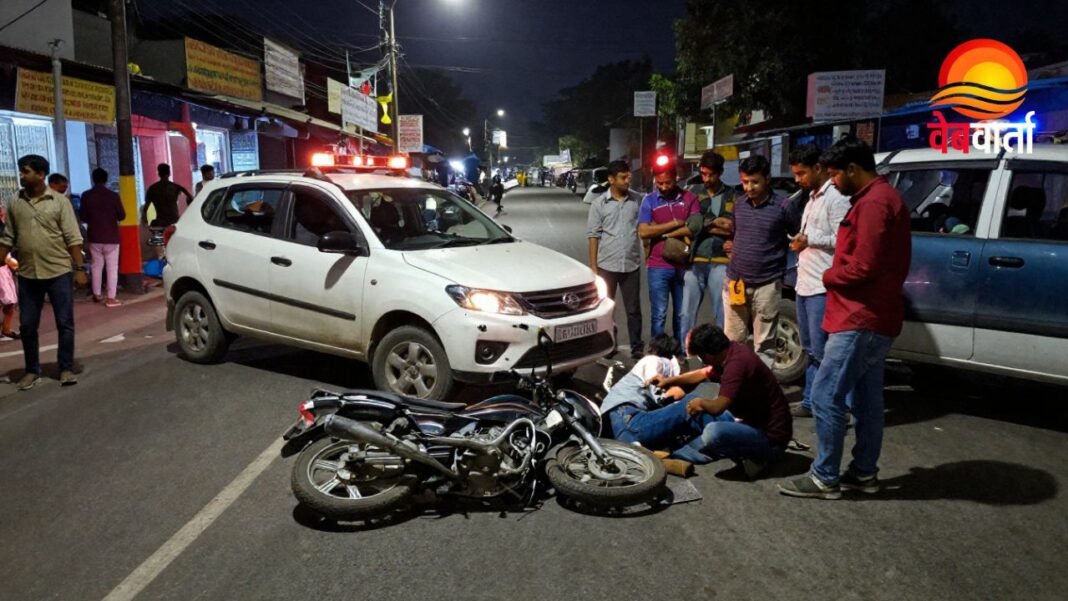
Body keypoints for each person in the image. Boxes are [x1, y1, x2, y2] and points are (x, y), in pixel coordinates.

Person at [778, 140, 911, 500]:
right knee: (866, 401)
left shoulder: (873, 204)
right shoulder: (881, 198)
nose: (834, 181)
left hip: (860, 317)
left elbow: (862, 266)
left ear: (853, 169)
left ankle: (825, 476)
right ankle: (864, 472)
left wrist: (829, 276)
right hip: (873, 315)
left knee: (825, 394)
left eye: (836, 174)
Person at [638, 324, 793, 478]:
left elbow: (718, 406)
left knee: (713, 432)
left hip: (771, 440)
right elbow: (703, 373)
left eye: (701, 356)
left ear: (708, 354)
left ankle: (758, 459)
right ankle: (678, 452)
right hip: (748, 422)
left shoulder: (737, 364)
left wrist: (701, 403)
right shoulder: (728, 352)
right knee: (691, 404)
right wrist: (669, 381)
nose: (702, 360)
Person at [0, 155, 87, 390]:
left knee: (65, 322)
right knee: (28, 325)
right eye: (20, 171)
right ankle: (32, 370)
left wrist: (79, 269)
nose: (21, 175)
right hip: (28, 274)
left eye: (26, 171)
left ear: (40, 175)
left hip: (58, 271)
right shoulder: (15, 202)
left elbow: (73, 238)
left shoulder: (59, 202)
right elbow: (8, 237)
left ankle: (66, 368)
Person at [787, 145, 854, 418]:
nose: (797, 180)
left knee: (827, 353)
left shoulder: (836, 198)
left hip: (822, 287)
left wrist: (809, 240)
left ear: (818, 168)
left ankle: (839, 408)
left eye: (801, 173)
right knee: (812, 351)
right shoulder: (812, 198)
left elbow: (844, 240)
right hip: (805, 283)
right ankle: (811, 402)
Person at [723, 155, 801, 367]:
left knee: (764, 344)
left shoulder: (784, 207)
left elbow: (798, 237)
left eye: (754, 182)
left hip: (767, 285)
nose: (749, 187)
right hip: (736, 282)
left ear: (767, 178)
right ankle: (736, 381)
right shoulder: (739, 205)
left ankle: (761, 385)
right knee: (733, 340)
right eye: (745, 182)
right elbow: (735, 235)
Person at [586, 160, 644, 359]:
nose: (628, 180)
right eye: (623, 177)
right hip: (607, 265)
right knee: (607, 308)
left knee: (633, 309)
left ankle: (637, 346)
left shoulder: (637, 201)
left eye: (629, 177)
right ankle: (610, 344)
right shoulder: (599, 204)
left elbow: (644, 227)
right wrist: (594, 267)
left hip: (631, 264)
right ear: (611, 180)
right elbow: (593, 236)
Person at [638, 160, 700, 343]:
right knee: (659, 313)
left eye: (668, 182)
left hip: (684, 265)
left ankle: (681, 349)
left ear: (676, 178)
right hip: (657, 266)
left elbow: (694, 227)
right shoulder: (649, 200)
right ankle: (659, 350)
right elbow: (643, 232)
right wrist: (676, 223)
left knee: (682, 313)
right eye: (659, 183)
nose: (664, 187)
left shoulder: (690, 199)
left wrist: (661, 231)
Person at [680, 150, 735, 339]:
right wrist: (716, 223)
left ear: (720, 173)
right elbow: (689, 225)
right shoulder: (693, 194)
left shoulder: (733, 195)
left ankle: (721, 350)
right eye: (703, 174)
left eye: (711, 174)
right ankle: (686, 350)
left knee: (723, 313)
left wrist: (704, 224)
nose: (707, 179)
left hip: (722, 261)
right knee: (687, 313)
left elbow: (733, 227)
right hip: (695, 259)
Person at [79, 168, 126, 307]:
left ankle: (97, 294)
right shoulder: (113, 196)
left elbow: (83, 216)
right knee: (112, 268)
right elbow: (122, 215)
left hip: (94, 236)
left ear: (93, 179)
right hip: (111, 237)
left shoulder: (86, 195)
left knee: (96, 266)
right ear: (106, 179)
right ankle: (111, 298)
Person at [140, 163, 192, 228]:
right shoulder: (176, 187)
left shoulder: (152, 189)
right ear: (169, 173)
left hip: (159, 222)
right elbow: (191, 199)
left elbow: (147, 206)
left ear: (159, 174)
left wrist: (144, 219)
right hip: (174, 221)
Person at [0, 205, 18, 339]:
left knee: (9, 301)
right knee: (8, 300)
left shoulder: (3, 226)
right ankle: (5, 329)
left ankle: (6, 328)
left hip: (4, 269)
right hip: (2, 269)